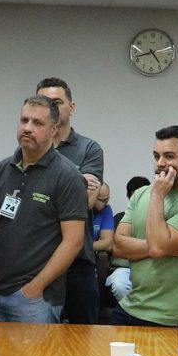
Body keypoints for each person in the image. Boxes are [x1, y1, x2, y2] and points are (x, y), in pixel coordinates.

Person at [0, 95, 88, 323]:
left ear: (53, 129)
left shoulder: (67, 176)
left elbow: (74, 242)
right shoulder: (3, 168)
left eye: (37, 123)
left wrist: (34, 288)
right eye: (24, 120)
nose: (28, 128)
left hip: (35, 299)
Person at [103, 126, 178, 329]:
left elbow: (158, 248)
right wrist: (164, 247)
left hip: (173, 318)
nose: (160, 164)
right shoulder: (140, 194)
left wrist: (158, 196)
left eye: (169, 156)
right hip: (130, 307)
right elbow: (117, 247)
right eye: (156, 156)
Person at [32, 78, 109, 324]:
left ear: (71, 107)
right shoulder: (30, 148)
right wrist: (75, 183)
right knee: (34, 344)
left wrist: (44, 194)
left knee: (82, 342)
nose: (51, 108)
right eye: (44, 103)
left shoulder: (89, 149)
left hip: (78, 262)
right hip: (36, 261)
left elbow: (86, 201)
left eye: (57, 102)